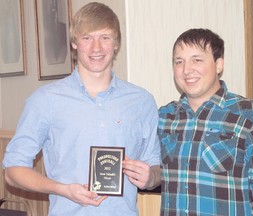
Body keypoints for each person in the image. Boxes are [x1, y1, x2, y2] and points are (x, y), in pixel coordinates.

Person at [2, 2, 160, 216]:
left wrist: (150, 177)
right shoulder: (45, 100)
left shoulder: (142, 101)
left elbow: (155, 167)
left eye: (105, 37)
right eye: (87, 38)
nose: (96, 48)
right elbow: (13, 171)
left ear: (116, 43)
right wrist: (62, 189)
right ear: (75, 43)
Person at [158, 28, 253, 215]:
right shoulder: (165, 117)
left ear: (219, 65)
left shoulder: (249, 115)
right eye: (179, 62)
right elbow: (152, 171)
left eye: (197, 60)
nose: (186, 70)